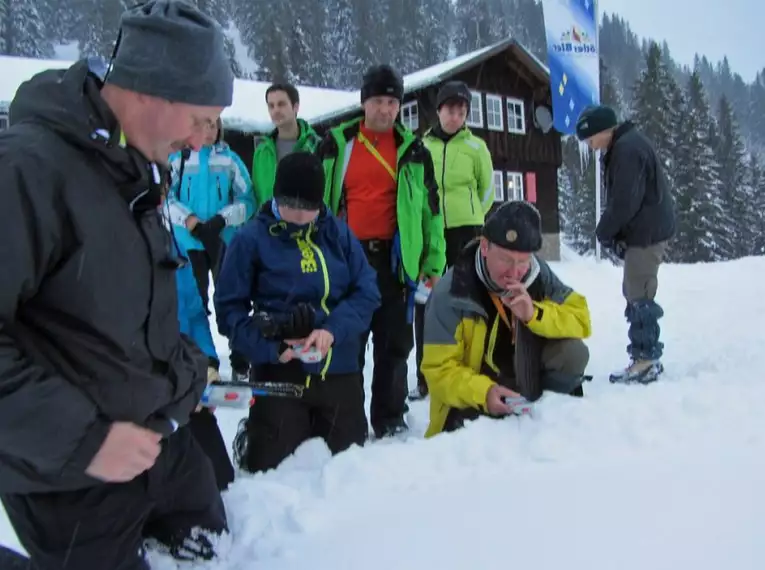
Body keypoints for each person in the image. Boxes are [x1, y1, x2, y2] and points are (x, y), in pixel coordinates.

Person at [0, 1, 233, 568]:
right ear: (152, 90)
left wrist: (185, 378)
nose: (203, 141)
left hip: (159, 446)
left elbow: (127, 319)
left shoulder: (137, 169)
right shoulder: (28, 171)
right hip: (72, 477)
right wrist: (86, 443)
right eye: (200, 120)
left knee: (217, 545)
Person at [214, 152, 380, 473]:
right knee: (274, 468)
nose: (301, 216)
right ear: (277, 196)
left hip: (339, 366)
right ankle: (254, 437)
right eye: (291, 205)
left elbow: (367, 290)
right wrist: (271, 348)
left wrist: (332, 330)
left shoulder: (338, 233)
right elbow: (228, 310)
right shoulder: (251, 238)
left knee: (348, 467)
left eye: (310, 207)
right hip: (281, 371)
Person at [317, 63, 446, 439]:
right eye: (378, 101)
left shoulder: (414, 151)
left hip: (395, 261)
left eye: (392, 102)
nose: (385, 109)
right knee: (349, 342)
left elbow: (432, 213)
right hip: (348, 260)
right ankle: (347, 418)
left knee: (394, 344)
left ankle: (389, 416)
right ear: (364, 102)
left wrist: (433, 260)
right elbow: (317, 202)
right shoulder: (336, 145)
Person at [421, 201, 592, 437]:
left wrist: (534, 314)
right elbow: (438, 370)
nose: (514, 272)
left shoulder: (538, 275)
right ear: (484, 247)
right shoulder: (452, 292)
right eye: (505, 259)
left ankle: (552, 424)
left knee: (573, 352)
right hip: (472, 399)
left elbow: (581, 318)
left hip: (523, 382)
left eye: (522, 262)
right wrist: (485, 393)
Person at [576, 105, 675, 384]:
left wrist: (604, 232)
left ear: (601, 130)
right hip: (645, 229)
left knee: (639, 292)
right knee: (635, 289)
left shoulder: (627, 150)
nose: (590, 146)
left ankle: (646, 360)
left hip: (647, 232)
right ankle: (644, 357)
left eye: (590, 139)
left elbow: (625, 202)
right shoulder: (625, 145)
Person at [411, 80, 495, 401]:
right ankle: (425, 375)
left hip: (467, 232)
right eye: (450, 109)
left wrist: (472, 213)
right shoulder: (422, 147)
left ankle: (467, 368)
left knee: (467, 299)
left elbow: (487, 191)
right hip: (431, 235)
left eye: (462, 111)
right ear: (439, 110)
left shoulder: (477, 148)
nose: (455, 116)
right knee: (427, 301)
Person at [166, 117, 255, 381]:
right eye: (202, 126)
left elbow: (247, 199)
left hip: (222, 239)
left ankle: (240, 357)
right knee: (195, 302)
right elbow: (166, 197)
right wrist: (189, 219)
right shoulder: (179, 159)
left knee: (231, 298)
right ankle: (199, 361)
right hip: (189, 242)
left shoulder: (229, 160)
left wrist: (222, 219)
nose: (208, 132)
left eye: (213, 126)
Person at [170, 223, 235, 492]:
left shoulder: (172, 242)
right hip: (145, 396)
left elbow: (195, 313)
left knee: (220, 479)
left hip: (186, 382)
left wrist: (206, 363)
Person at [251, 82, 322, 204]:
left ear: (296, 107)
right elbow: (257, 196)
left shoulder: (316, 146)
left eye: (281, 104)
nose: (276, 110)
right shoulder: (262, 151)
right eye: (271, 106)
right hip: (270, 222)